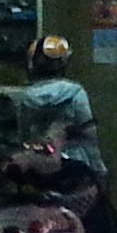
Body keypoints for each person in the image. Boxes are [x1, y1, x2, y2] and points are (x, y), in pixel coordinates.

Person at [18, 37, 104, 172]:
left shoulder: (25, 96)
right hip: (74, 162)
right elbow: (89, 134)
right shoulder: (75, 92)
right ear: (62, 63)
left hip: (38, 162)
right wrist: (99, 167)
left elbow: (23, 133)